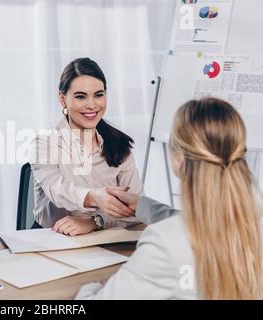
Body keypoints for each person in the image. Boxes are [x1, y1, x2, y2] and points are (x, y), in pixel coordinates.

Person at [76, 97, 263, 299]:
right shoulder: (253, 221)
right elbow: (197, 225)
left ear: (179, 159)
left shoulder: (165, 244)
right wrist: (141, 205)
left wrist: (92, 286)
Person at [30, 57, 143, 236]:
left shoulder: (120, 145)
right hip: (54, 239)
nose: (91, 105)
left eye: (98, 95)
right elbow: (58, 191)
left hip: (105, 240)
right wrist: (95, 197)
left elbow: (137, 208)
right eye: (81, 96)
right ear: (62, 99)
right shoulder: (43, 145)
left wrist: (95, 221)